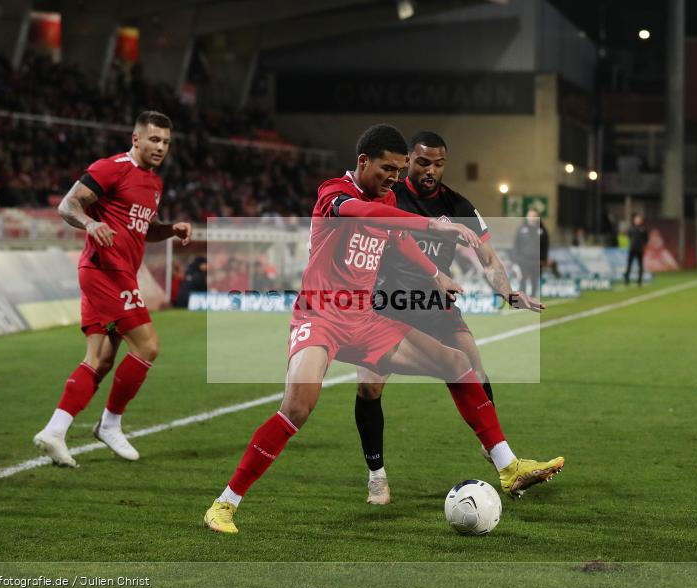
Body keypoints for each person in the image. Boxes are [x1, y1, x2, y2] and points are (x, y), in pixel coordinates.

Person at [203, 124, 563, 534]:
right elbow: (365, 213)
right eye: (387, 168)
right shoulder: (334, 193)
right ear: (363, 161)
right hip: (321, 316)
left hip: (365, 318)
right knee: (298, 407)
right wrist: (433, 226)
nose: (394, 177)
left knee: (457, 363)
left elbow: (397, 237)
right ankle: (225, 503)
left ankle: (508, 466)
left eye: (398, 170)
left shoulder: (388, 197)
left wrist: (434, 274)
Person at [353, 131, 544, 504]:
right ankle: (377, 476)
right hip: (388, 302)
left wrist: (508, 292)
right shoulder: (390, 195)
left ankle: (497, 454)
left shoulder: (458, 205)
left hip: (437, 303)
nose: (431, 170)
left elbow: (488, 259)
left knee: (475, 368)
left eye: (439, 164)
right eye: (424, 162)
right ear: (409, 160)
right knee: (369, 386)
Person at [33, 111, 192, 468]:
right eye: (154, 139)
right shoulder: (111, 168)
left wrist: (170, 229)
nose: (160, 147)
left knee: (100, 360)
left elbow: (145, 229)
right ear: (136, 139)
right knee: (148, 346)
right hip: (105, 271)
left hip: (117, 274)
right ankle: (110, 424)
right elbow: (68, 205)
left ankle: (55, 431)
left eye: (166, 142)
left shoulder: (153, 183)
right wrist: (90, 224)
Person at [513, 209, 546, 295]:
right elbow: (516, 245)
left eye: (534, 216)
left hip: (536, 261)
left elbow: (545, 246)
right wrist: (516, 259)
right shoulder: (521, 229)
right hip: (523, 260)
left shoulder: (542, 230)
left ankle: (533, 297)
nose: (532, 218)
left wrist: (543, 259)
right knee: (522, 281)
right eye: (530, 216)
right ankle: (522, 298)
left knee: (534, 282)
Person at [624, 213, 648, 286]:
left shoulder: (643, 229)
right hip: (632, 248)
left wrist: (642, 244)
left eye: (639, 219)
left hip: (639, 249)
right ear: (634, 220)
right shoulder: (631, 228)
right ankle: (627, 279)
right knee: (629, 264)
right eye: (636, 219)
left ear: (641, 220)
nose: (637, 220)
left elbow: (646, 239)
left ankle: (639, 281)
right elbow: (629, 236)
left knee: (640, 265)